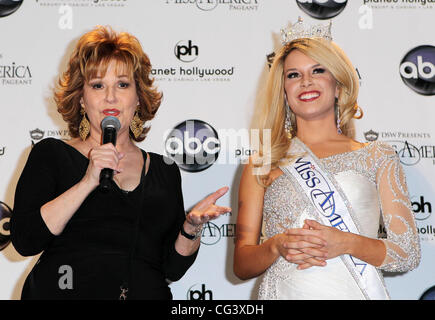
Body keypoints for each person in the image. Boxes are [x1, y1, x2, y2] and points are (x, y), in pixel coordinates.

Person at [10, 26, 231, 300]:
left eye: (123, 84)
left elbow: (172, 268)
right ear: (81, 97)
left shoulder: (165, 170)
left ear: (138, 97)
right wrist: (88, 180)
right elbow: (26, 240)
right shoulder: (51, 155)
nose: (110, 97)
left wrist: (191, 228)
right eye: (97, 85)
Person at [233, 18, 421, 300]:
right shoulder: (262, 161)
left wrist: (345, 242)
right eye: (293, 75)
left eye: (318, 70)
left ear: (338, 85)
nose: (306, 81)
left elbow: (407, 253)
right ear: (283, 91)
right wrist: (276, 246)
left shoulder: (377, 156)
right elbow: (242, 265)